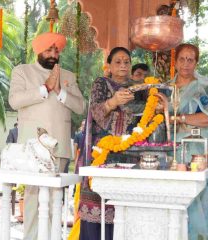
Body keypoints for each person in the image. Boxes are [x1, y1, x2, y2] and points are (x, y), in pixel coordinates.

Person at [9, 32, 85, 239]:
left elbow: (80, 107)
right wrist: (45, 88)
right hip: (33, 149)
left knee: (54, 199)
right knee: (34, 198)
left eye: (56, 50)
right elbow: (14, 101)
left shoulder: (68, 76)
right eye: (48, 50)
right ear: (38, 51)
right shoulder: (22, 71)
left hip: (59, 146)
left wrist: (61, 91)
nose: (53, 54)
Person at [156, 43, 208, 239]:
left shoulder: (204, 87)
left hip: (197, 158)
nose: (186, 64)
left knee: (199, 208)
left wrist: (177, 118)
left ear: (196, 62)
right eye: (182, 59)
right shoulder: (165, 88)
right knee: (172, 210)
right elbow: (156, 120)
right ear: (175, 62)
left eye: (190, 59)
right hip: (169, 157)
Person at [78, 47, 139, 240]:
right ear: (110, 66)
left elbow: (145, 119)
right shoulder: (101, 83)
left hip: (130, 152)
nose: (123, 65)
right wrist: (113, 102)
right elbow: (95, 113)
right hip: (102, 153)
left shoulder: (139, 88)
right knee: (98, 203)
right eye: (118, 62)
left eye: (127, 62)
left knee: (125, 207)